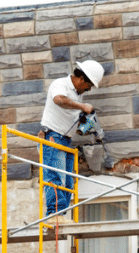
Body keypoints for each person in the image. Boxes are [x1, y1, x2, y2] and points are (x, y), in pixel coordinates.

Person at [40, 60, 105, 223]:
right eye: (89, 85)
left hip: (65, 140)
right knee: (54, 176)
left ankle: (61, 215)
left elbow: (71, 117)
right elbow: (59, 100)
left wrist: (85, 122)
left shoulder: (77, 94)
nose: (88, 89)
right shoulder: (60, 84)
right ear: (82, 78)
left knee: (68, 181)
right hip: (53, 136)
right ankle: (53, 215)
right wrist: (82, 107)